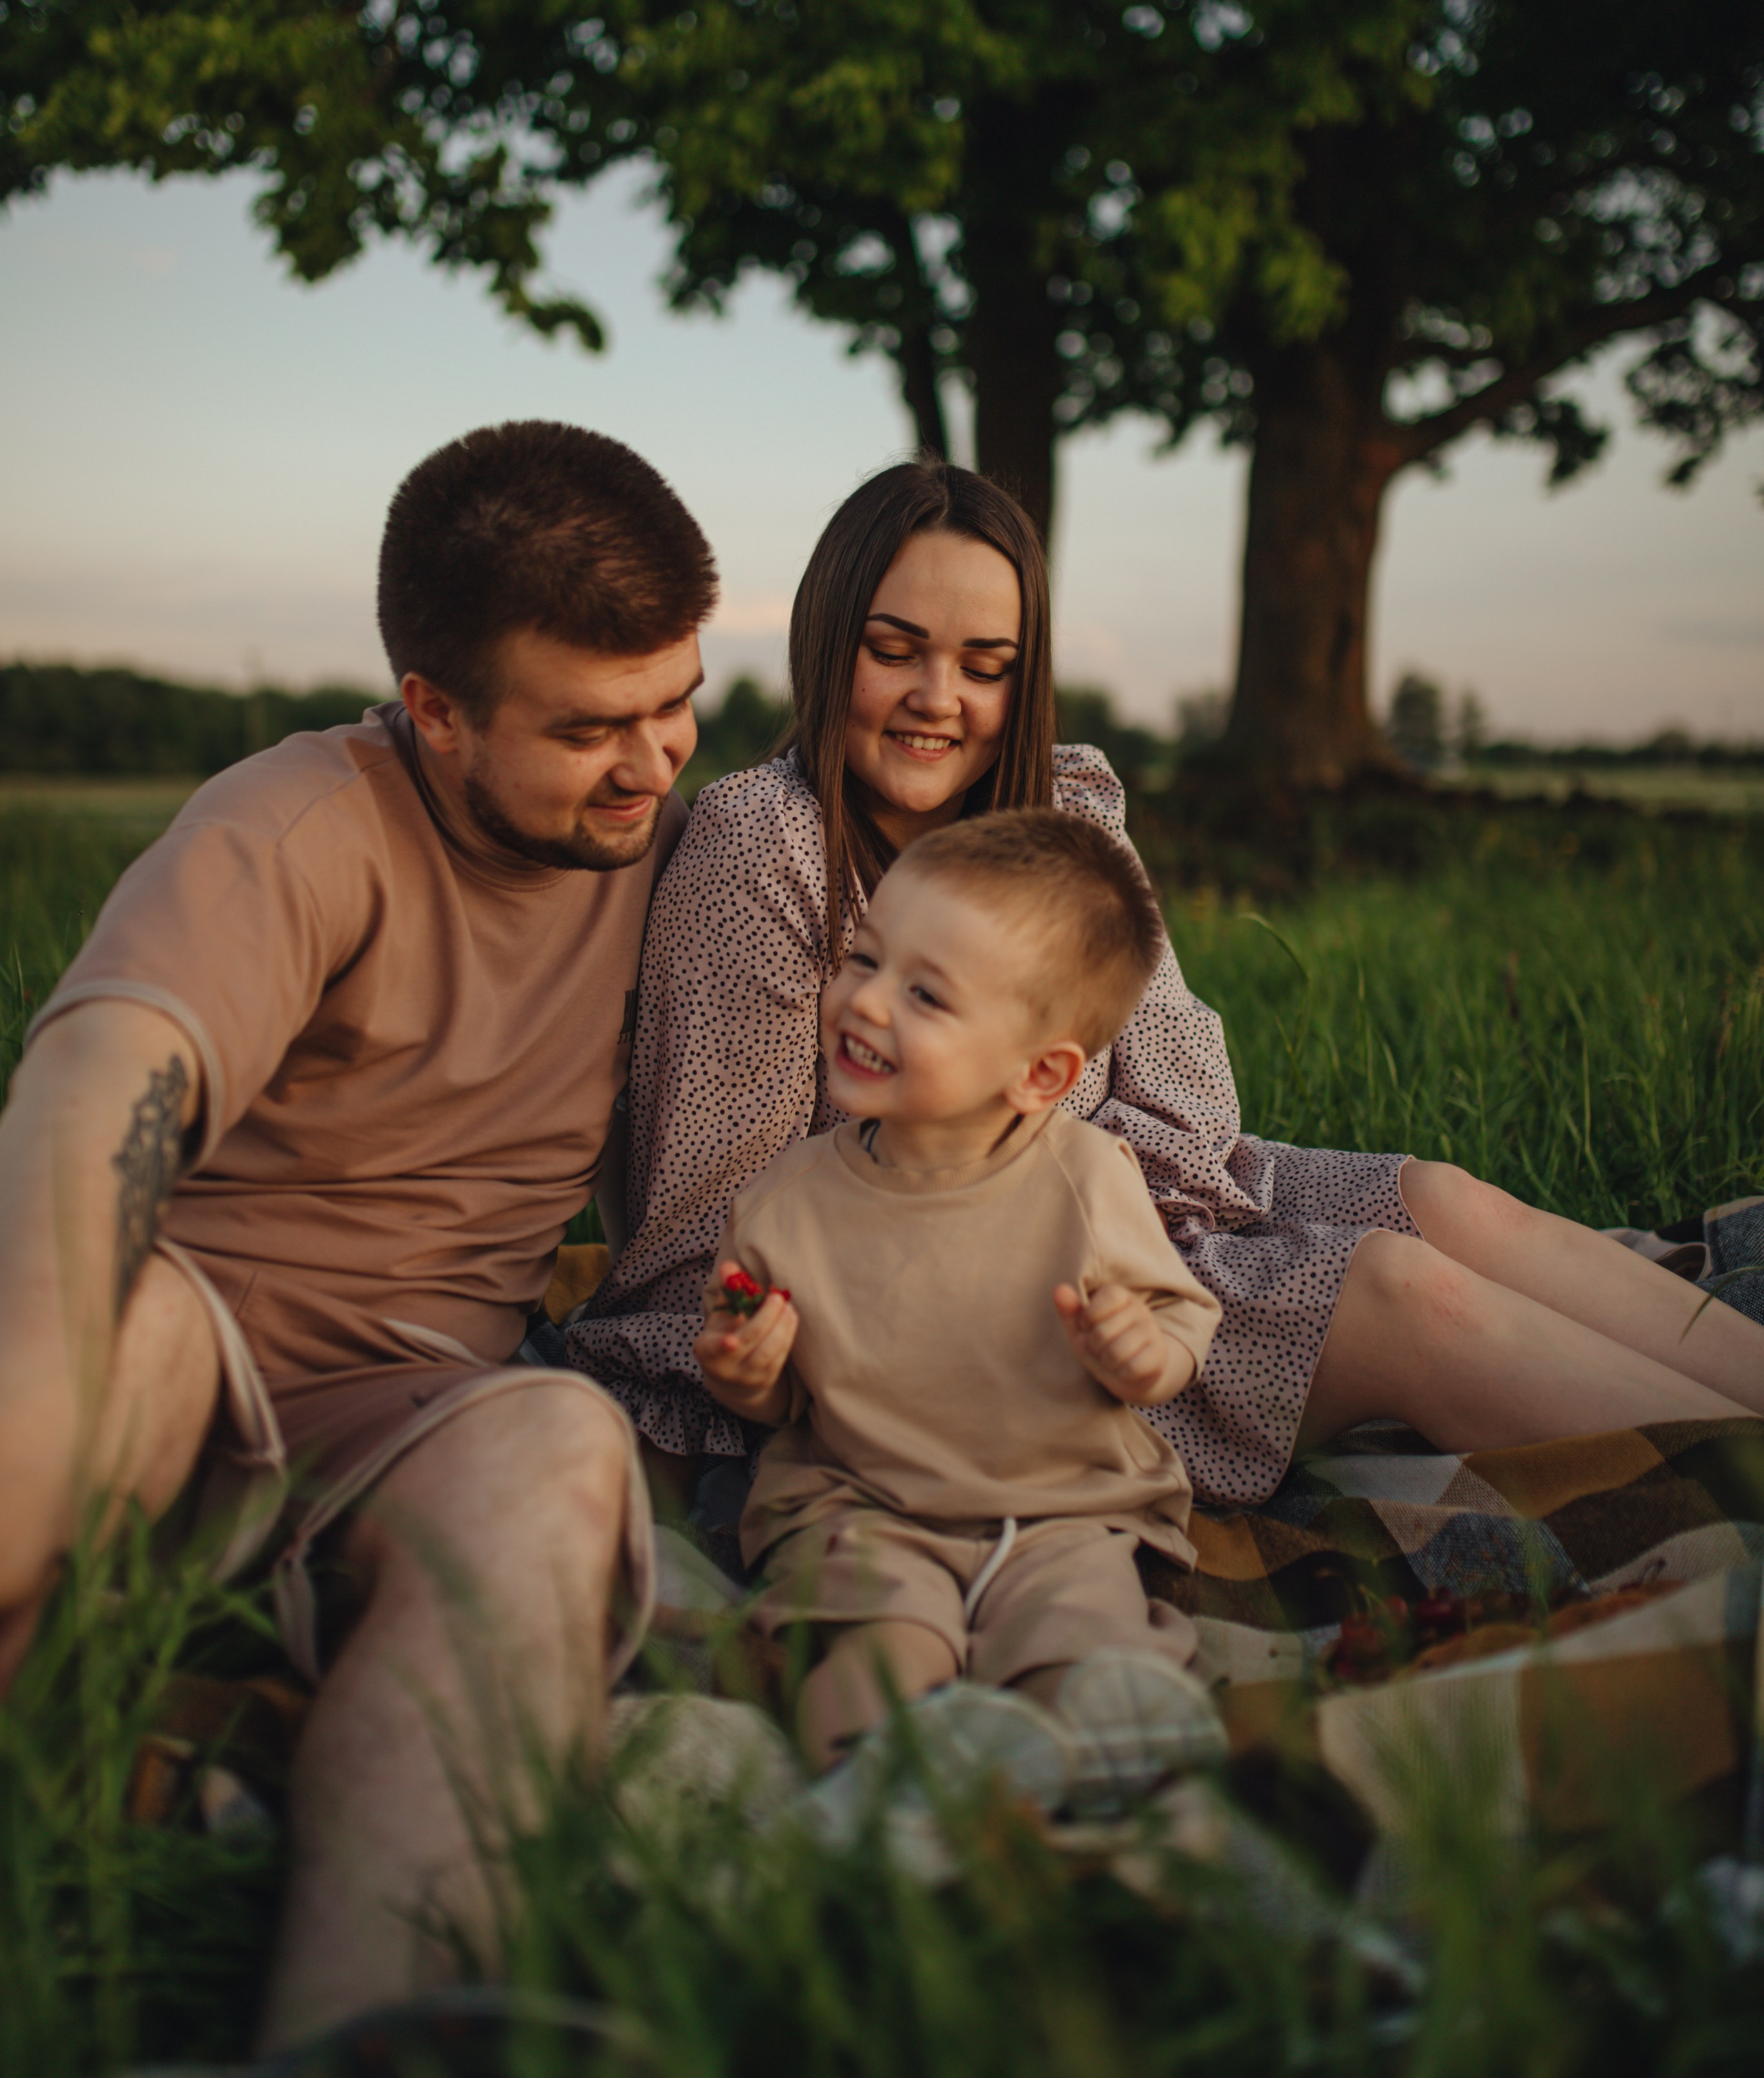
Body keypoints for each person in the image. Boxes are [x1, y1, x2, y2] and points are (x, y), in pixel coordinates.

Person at [570, 457, 1764, 1509]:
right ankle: (1739, 1487)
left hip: (1144, 1207)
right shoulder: (764, 847)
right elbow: (705, 1244)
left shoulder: (1059, 812)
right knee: (1401, 1295)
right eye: (897, 652)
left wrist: (1157, 1215)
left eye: (986, 666)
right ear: (830, 642)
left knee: (1447, 1203)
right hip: (972, 1303)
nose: (942, 699)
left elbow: (1193, 1093)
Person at [0, 420, 716, 2053]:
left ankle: (358, 2072)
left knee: (556, 1438)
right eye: (593, 725)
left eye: (680, 700)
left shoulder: (691, 852)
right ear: (437, 713)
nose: (654, 759)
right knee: (135, 1340)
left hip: (405, 1409)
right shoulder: (295, 828)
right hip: (167, 1348)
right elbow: (101, 1094)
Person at [695, 809, 1221, 1780]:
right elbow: (779, 1393)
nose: (866, 1003)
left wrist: (1145, 1356)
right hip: (869, 1506)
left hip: (1063, 1510)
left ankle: (1107, 1762)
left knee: (1081, 1639)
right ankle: (873, 1787)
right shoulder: (785, 1202)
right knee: (884, 1652)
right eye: (864, 959)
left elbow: (1179, 1316)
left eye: (926, 995)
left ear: (1041, 1074)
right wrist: (744, 1371)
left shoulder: (1088, 1175)